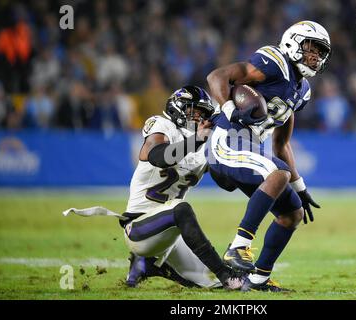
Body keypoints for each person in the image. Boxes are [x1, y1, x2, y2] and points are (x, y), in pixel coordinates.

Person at [65, 85, 243, 290]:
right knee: (181, 208)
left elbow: (228, 184)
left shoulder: (202, 145)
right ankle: (226, 275)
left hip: (169, 236)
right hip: (139, 228)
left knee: (204, 284)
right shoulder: (162, 125)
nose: (196, 118)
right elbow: (157, 156)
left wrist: (227, 155)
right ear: (177, 107)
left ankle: (146, 265)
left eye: (201, 114)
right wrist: (197, 140)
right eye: (193, 111)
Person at [205, 21, 331, 291]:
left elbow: (282, 143)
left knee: (292, 213)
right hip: (227, 141)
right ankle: (238, 247)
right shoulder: (274, 61)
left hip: (248, 150)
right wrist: (228, 108)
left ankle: (258, 279)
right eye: (312, 48)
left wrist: (301, 187)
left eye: (321, 52)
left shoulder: (302, 90)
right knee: (278, 173)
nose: (316, 57)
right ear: (293, 42)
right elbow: (217, 76)